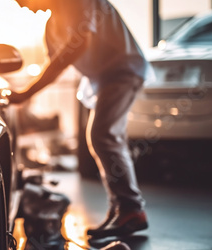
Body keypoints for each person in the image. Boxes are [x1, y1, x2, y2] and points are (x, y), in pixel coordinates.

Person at [11, 0, 153, 239]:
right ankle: (124, 208)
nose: (24, 7)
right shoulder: (51, 26)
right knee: (106, 138)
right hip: (105, 79)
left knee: (102, 135)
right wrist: (27, 93)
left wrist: (27, 92)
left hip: (123, 70)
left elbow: (75, 48)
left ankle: (130, 208)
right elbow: (54, 64)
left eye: (23, 0)